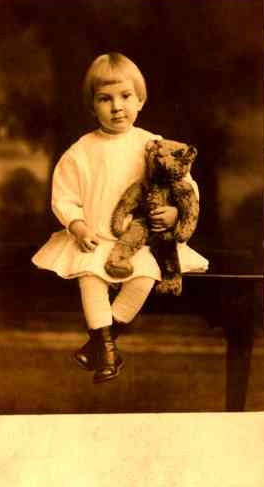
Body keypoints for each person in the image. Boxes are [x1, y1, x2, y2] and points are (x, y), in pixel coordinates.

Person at [32, 52, 208, 384]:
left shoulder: (153, 145)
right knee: (90, 278)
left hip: (139, 241)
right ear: (91, 106)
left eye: (126, 96)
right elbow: (64, 197)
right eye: (105, 99)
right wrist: (77, 224)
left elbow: (185, 186)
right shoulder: (81, 151)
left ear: (140, 100)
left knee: (145, 278)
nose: (117, 107)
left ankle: (99, 345)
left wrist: (173, 213)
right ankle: (107, 353)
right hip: (95, 238)